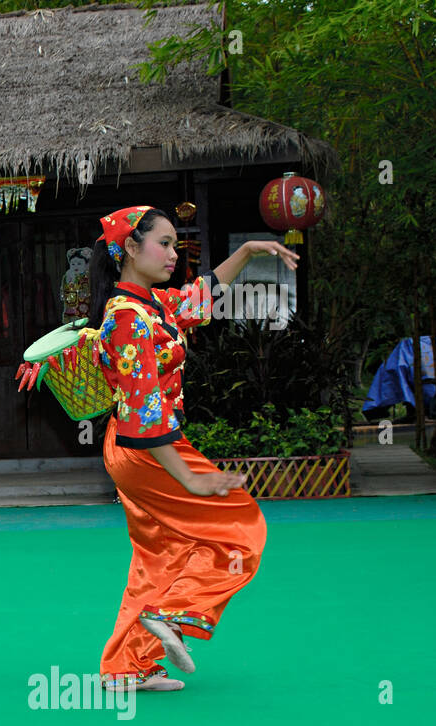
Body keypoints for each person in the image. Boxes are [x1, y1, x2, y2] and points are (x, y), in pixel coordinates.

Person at [90, 205, 298, 692]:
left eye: (175, 244)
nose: (172, 252)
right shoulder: (128, 319)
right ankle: (177, 613)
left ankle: (126, 667)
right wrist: (187, 477)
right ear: (130, 248)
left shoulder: (151, 305)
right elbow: (144, 409)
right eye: (162, 243)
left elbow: (199, 297)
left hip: (138, 444)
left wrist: (246, 250)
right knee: (242, 526)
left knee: (158, 554)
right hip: (149, 445)